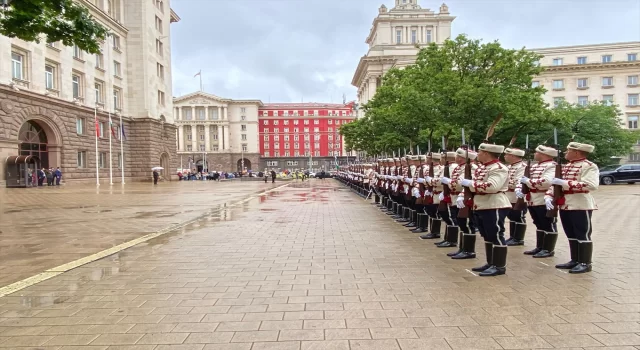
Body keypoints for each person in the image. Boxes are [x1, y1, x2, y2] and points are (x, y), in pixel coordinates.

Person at [458, 143, 511, 276]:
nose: (478, 154)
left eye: (480, 152)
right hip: (481, 204)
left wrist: (471, 184)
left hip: (494, 204)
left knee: (496, 234)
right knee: (487, 235)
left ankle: (499, 266)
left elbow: (492, 186)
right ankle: (491, 262)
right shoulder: (482, 167)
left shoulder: (499, 168)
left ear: (487, 153)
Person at [546, 142, 599, 274]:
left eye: (568, 150)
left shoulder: (589, 166)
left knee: (582, 233)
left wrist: (565, 183)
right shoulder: (566, 166)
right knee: (571, 233)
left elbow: (591, 185)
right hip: (565, 204)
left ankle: (585, 263)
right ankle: (575, 259)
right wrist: (548, 195)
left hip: (580, 203)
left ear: (576, 152)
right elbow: (556, 184)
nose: (565, 153)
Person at [517, 145, 558, 258]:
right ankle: (540, 247)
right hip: (533, 199)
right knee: (539, 224)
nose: (535, 154)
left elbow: (546, 182)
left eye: (537, 152)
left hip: (544, 198)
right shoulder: (535, 166)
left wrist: (529, 181)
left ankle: (548, 249)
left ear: (544, 154)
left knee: (548, 224)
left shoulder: (551, 166)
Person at [443, 148, 479, 259]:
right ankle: (462, 248)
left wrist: (448, 182)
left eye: (460, 157)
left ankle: (469, 251)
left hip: (464, 198)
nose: (457, 158)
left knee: (467, 223)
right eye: (457, 156)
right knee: (461, 223)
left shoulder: (472, 168)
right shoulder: (459, 167)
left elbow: (462, 184)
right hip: (456, 197)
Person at [503, 148, 528, 246]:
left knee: (519, 216)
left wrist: (503, 183)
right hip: (509, 195)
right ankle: (513, 237)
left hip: (517, 195)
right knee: (512, 216)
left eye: (507, 154)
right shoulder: (509, 166)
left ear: (513, 156)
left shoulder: (522, 167)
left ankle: (518, 238)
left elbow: (519, 181)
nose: (505, 156)